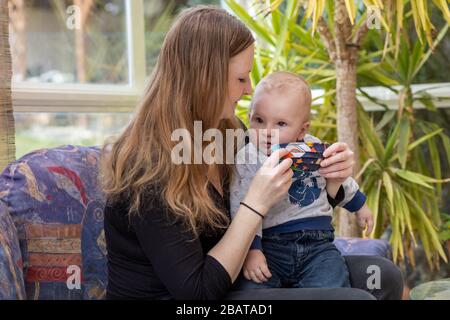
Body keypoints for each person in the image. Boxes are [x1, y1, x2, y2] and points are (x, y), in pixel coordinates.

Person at [101, 5, 403, 300]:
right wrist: (255, 203)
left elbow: (297, 192)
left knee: (382, 277)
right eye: (241, 78)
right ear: (205, 80)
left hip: (237, 276)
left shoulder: (227, 133)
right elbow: (196, 292)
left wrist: (334, 177)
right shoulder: (148, 170)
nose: (248, 90)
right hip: (195, 298)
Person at [230, 71, 374, 289]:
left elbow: (336, 175)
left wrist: (360, 205)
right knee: (253, 288)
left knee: (331, 285)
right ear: (249, 116)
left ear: (302, 130)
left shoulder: (312, 147)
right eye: (259, 120)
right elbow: (240, 204)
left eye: (280, 124)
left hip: (318, 246)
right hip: (270, 247)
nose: (267, 132)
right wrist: (253, 250)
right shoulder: (247, 157)